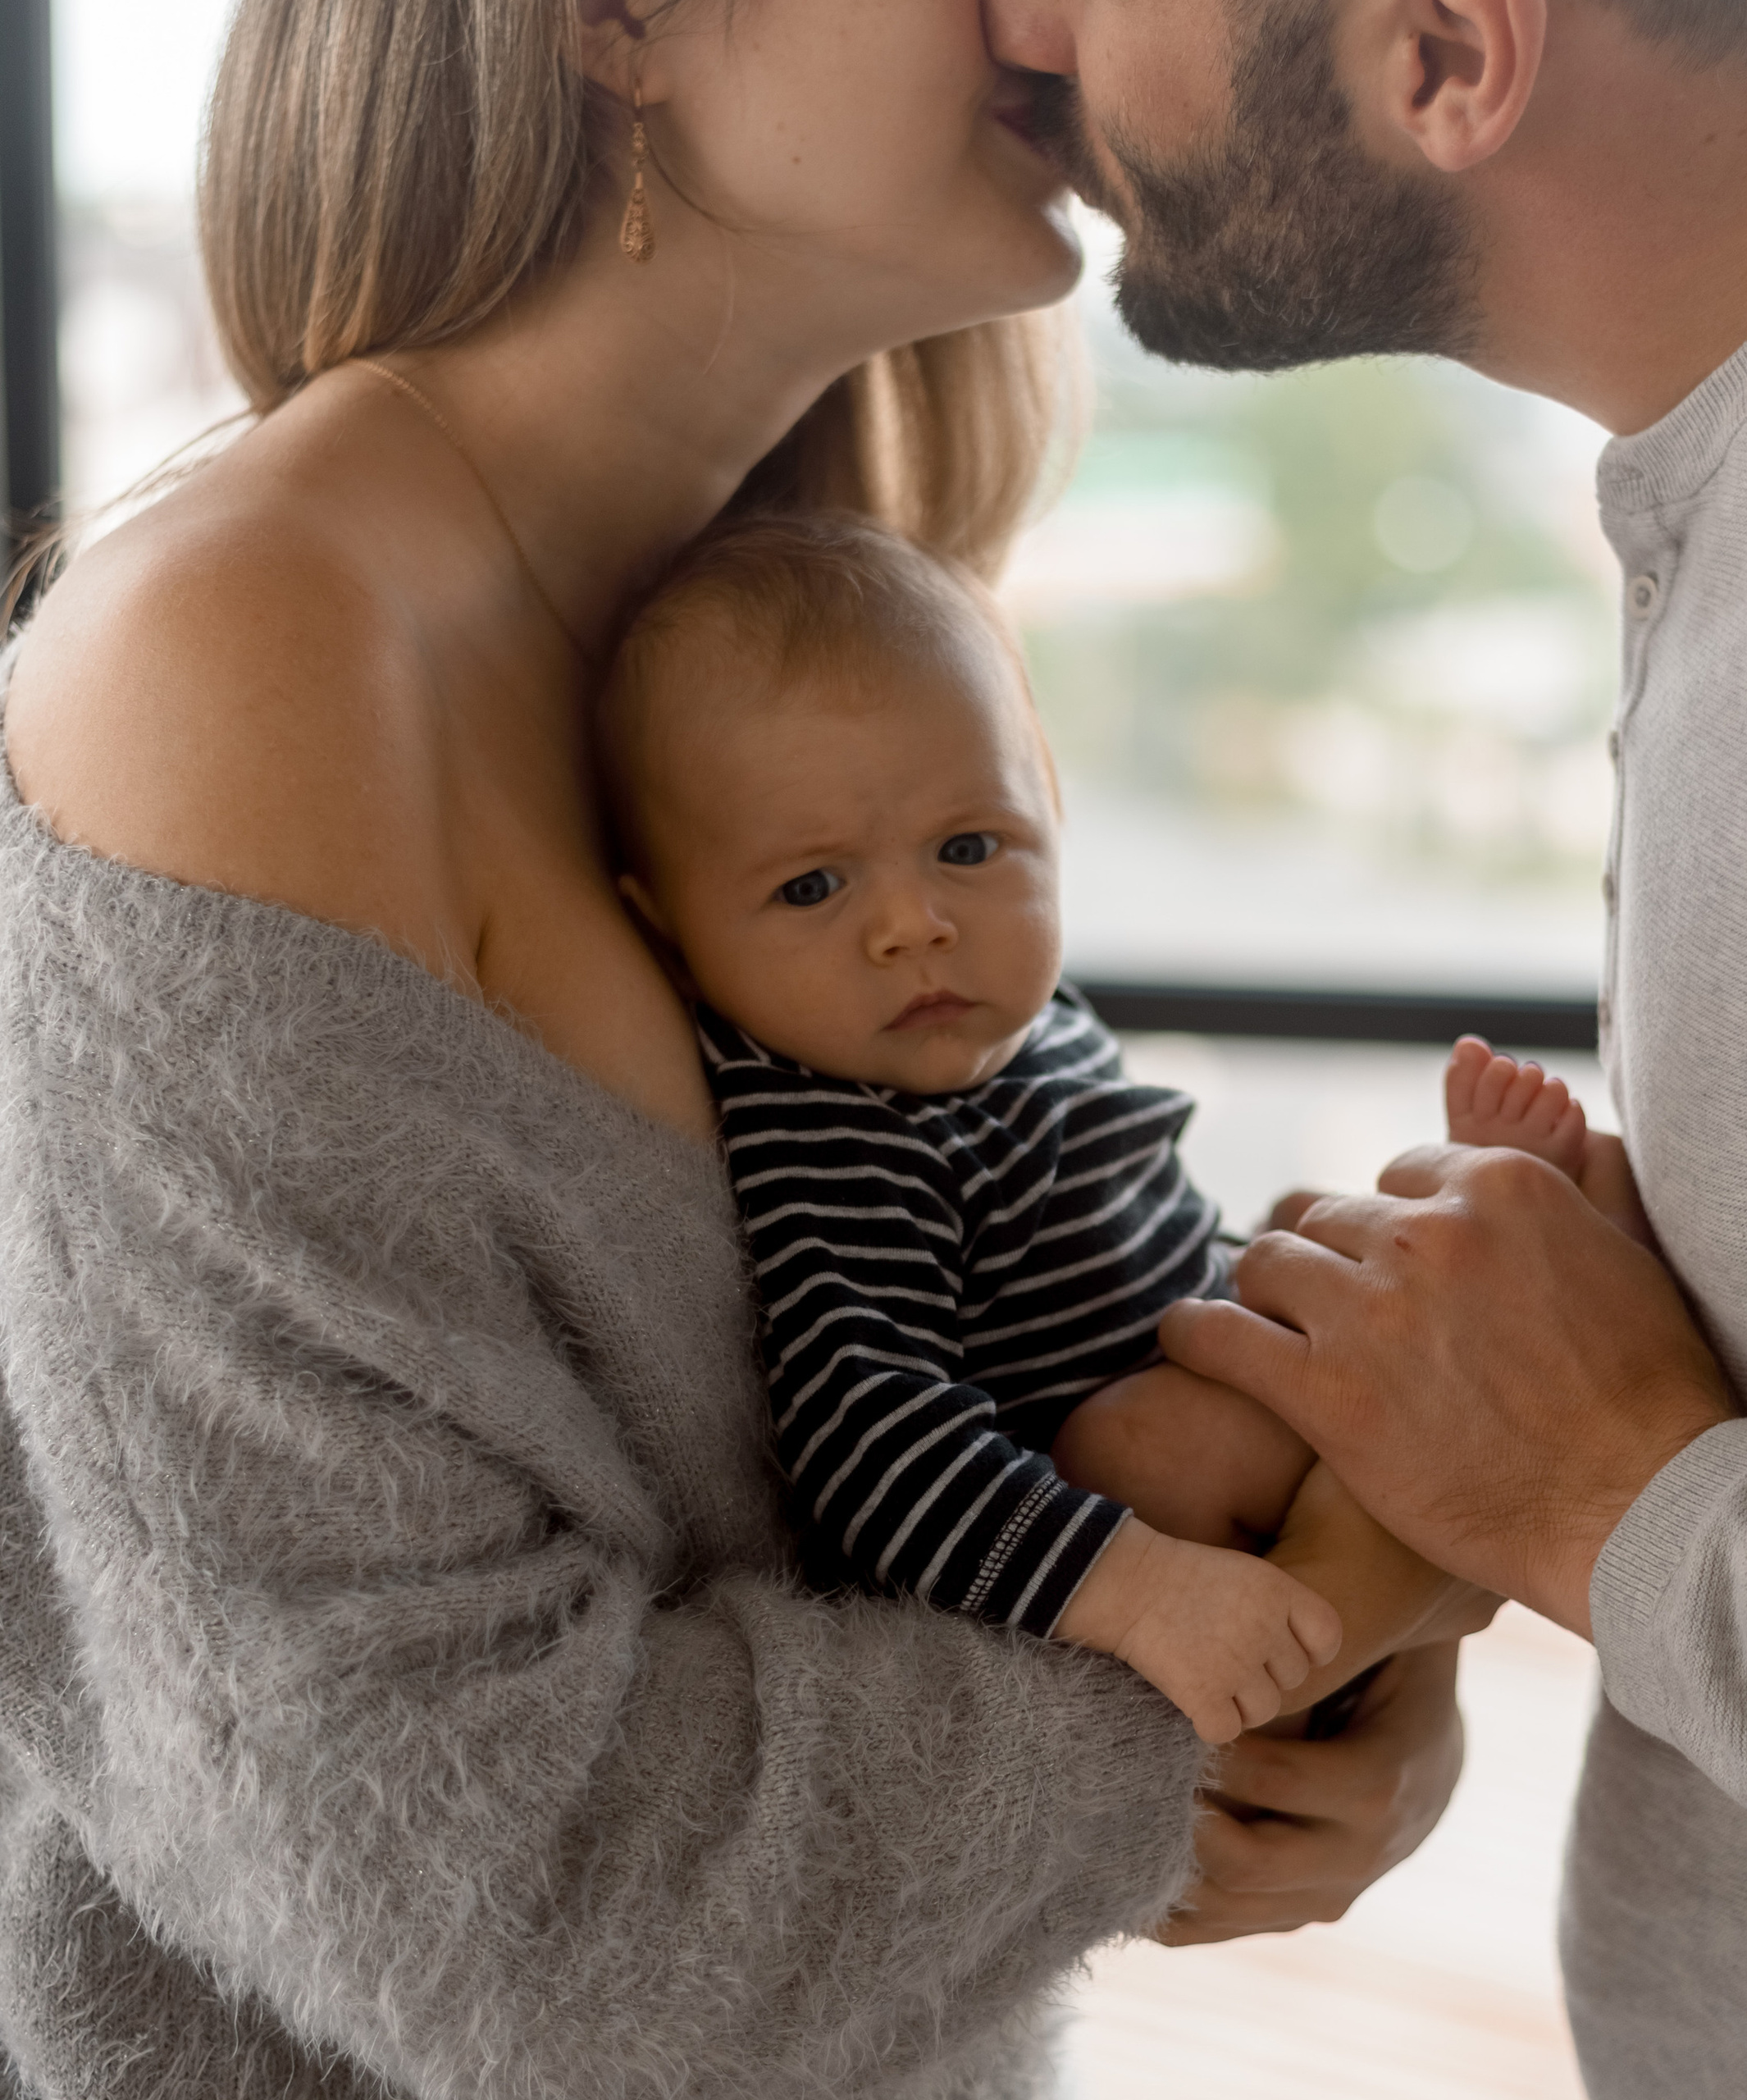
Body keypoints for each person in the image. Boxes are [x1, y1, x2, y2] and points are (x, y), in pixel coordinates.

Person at [0, 2, 1470, 2093]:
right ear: (611, 25)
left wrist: (1370, 1612)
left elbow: (992, 1346)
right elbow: (475, 1879)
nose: (1063, 13)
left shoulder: (779, 636)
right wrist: (1227, 1681)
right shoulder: (249, 652)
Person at [984, 0, 1747, 2089]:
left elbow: (1660, 1483)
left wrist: (1608, 1508)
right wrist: (1451, 1530)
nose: (1019, 29)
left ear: (1441, 53)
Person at [595, 509, 1497, 1744]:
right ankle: (1415, 1504)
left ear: (1051, 807)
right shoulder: (843, 1135)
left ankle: (1459, 1357)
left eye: (970, 847)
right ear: (669, 935)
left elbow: (1144, 1242)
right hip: (1118, 1525)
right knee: (1158, 1435)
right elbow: (870, 1435)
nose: (915, 922)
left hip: (1213, 1369)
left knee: (1366, 1240)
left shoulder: (1026, 1023)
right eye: (811, 885)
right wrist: (1129, 1587)